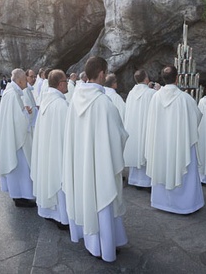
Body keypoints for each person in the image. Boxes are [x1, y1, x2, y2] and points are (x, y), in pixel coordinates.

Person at [62, 57, 129, 262]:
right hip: (100, 164)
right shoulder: (103, 103)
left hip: (82, 162)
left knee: (88, 199)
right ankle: (106, 246)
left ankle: (93, 243)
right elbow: (119, 136)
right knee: (103, 200)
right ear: (101, 74)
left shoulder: (75, 99)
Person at [145, 65, 204, 214]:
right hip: (180, 143)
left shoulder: (156, 97)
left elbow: (151, 122)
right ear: (177, 78)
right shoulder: (185, 99)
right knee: (184, 167)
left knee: (162, 164)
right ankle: (185, 205)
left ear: (162, 79)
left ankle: (161, 202)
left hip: (160, 143)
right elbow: (197, 117)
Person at [31, 69, 69, 227]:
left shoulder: (46, 101)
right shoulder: (61, 105)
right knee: (58, 179)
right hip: (57, 151)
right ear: (60, 84)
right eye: (66, 81)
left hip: (46, 150)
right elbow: (67, 134)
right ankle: (61, 217)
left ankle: (48, 212)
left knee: (47, 176)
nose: (67, 84)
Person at [0, 68, 36, 207]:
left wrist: (24, 111)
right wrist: (28, 113)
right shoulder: (13, 95)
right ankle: (20, 196)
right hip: (17, 140)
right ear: (19, 81)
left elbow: (15, 115)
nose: (27, 82)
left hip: (13, 137)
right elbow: (20, 120)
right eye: (25, 80)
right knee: (21, 168)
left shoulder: (11, 92)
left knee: (20, 168)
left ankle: (19, 195)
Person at [123, 69, 156, 188]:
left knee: (136, 149)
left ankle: (135, 180)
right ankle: (146, 182)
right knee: (144, 149)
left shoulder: (131, 93)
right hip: (146, 127)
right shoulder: (151, 94)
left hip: (133, 129)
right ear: (146, 79)